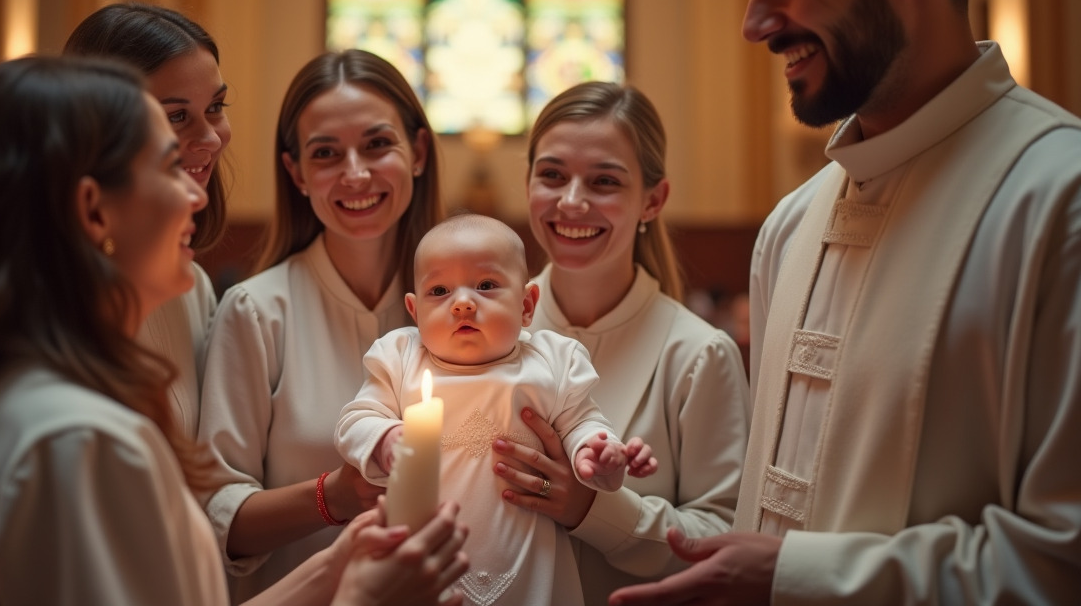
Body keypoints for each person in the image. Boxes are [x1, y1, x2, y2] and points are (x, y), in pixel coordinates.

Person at [610, 0, 1081, 605]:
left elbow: (1061, 563)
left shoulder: (1056, 201)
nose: (755, 24)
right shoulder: (790, 227)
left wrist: (787, 575)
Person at [0, 56, 468, 606]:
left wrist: (336, 569)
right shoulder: (76, 440)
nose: (197, 191)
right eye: (168, 164)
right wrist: (359, 595)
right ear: (94, 211)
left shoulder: (57, 409)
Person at [484, 81, 749, 606]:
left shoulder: (698, 355)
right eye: (552, 176)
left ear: (653, 199)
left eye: (604, 181)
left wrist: (592, 509)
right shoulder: (478, 335)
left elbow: (722, 539)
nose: (572, 201)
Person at [199, 48, 444, 602]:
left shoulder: (469, 307)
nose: (355, 173)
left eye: (378, 144)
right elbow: (217, 515)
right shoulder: (257, 312)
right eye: (326, 153)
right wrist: (333, 496)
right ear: (297, 173)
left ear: (419, 152)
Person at [336, 213, 657, 605]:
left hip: (534, 577)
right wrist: (384, 438)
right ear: (414, 310)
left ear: (526, 304)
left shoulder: (552, 362)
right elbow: (354, 421)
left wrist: (597, 453)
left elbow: (582, 423)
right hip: (420, 572)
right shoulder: (400, 359)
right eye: (439, 291)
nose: (463, 304)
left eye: (486, 285)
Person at [64, 2, 229, 438]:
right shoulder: (56, 303)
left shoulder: (190, 288)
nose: (211, 137)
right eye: (176, 116)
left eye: (216, 106)